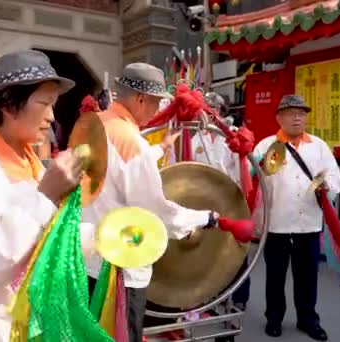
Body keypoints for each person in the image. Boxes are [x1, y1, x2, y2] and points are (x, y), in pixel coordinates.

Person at [0, 50, 89, 341]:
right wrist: (45, 197)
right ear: (9, 105)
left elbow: (45, 239)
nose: (51, 117)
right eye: (45, 104)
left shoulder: (28, 160)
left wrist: (103, 238)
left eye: (53, 105)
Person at [81, 63, 220, 342]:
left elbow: (117, 171)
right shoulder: (132, 142)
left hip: (88, 259)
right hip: (120, 268)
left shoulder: (95, 126)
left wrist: (159, 148)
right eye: (156, 103)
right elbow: (156, 212)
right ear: (141, 99)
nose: (157, 111)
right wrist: (206, 218)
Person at [253, 94, 340, 341]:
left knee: (307, 278)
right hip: (277, 224)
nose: (297, 118)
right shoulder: (265, 145)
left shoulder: (319, 146)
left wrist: (324, 186)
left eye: (301, 113)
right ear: (279, 117)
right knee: (275, 277)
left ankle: (308, 320)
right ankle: (274, 318)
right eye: (291, 113)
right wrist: (258, 169)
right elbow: (252, 180)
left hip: (308, 225)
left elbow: (335, 179)